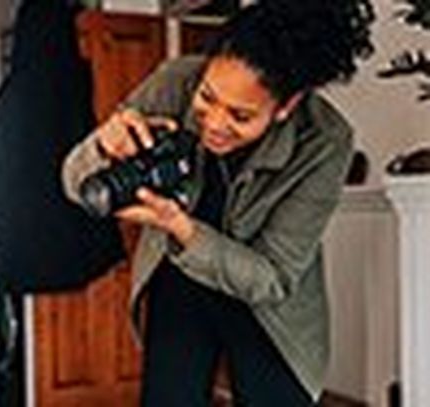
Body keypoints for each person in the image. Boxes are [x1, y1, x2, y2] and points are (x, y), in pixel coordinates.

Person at [61, 0, 375, 405]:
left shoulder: (324, 141)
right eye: (207, 98)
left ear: (287, 106)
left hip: (269, 310)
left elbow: (273, 278)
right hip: (179, 280)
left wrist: (182, 228)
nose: (213, 124)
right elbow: (74, 180)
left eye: (241, 116)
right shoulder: (176, 82)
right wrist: (104, 145)